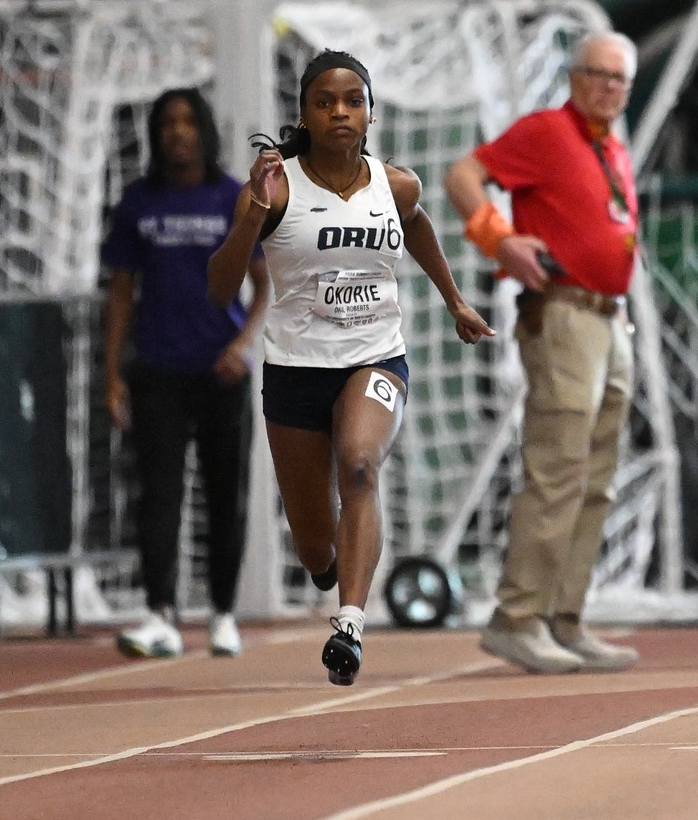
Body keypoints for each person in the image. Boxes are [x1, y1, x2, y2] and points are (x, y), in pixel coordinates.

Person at [207, 50, 493, 686]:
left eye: (353, 100)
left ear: (370, 113)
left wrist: (454, 299)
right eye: (325, 101)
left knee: (360, 465)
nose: (340, 111)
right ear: (305, 115)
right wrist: (252, 210)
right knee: (315, 544)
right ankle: (331, 571)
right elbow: (220, 289)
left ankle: (350, 625)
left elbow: (415, 226)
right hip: (295, 371)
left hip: (375, 357)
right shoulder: (277, 189)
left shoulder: (397, 185)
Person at [444, 31, 644, 675]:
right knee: (559, 469)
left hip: (608, 318)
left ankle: (564, 617)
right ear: (573, 75)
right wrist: (498, 239)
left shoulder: (608, 145)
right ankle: (518, 617)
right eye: (597, 74)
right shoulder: (545, 131)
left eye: (620, 79)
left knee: (597, 479)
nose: (608, 88)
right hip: (563, 313)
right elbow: (462, 176)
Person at [104, 88, 267, 660]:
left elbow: (266, 285)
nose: (177, 131)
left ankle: (222, 613)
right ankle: (160, 615)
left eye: (187, 120)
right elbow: (121, 295)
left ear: (203, 129)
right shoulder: (137, 204)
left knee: (226, 495)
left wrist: (244, 345)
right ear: (155, 134)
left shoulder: (233, 198)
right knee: (160, 498)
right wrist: (112, 375)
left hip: (221, 371)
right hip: (157, 370)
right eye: (167, 122)